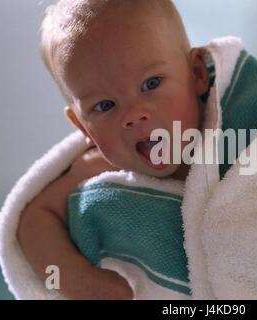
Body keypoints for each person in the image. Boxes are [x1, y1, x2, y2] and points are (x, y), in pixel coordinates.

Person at [17, 0, 211, 299]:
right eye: (105, 105)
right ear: (83, 127)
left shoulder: (239, 139)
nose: (133, 114)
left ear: (197, 74)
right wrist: (76, 280)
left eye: (151, 83)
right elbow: (33, 221)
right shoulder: (100, 166)